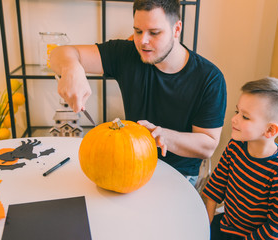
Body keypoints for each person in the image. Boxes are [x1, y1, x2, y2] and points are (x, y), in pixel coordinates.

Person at [50, 0, 227, 185]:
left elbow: (207, 146)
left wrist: (164, 135)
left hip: (178, 176)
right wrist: (72, 68)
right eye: (138, 31)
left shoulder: (209, 78)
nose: (143, 41)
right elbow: (59, 53)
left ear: (177, 29)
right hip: (130, 164)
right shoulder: (126, 54)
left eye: (154, 33)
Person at [202, 77, 278, 239]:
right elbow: (216, 186)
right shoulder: (235, 146)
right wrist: (206, 224)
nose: (234, 119)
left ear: (270, 130)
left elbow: (277, 227)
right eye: (237, 112)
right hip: (229, 226)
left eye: (245, 117)